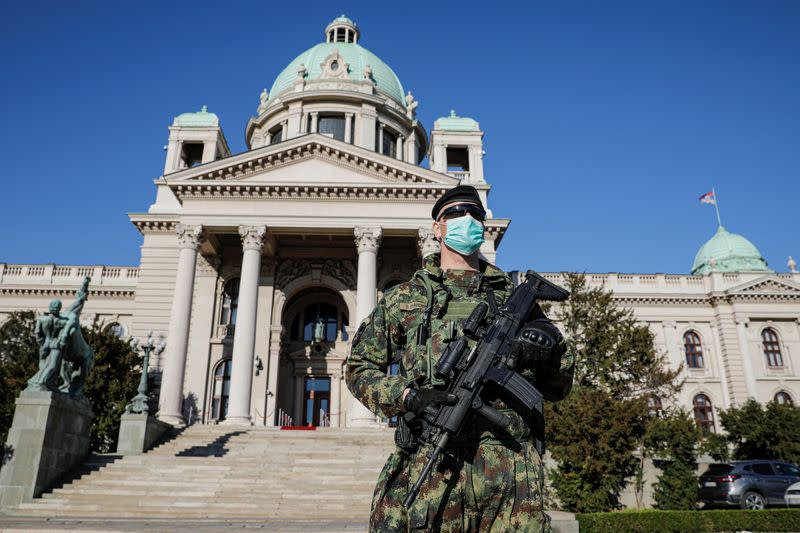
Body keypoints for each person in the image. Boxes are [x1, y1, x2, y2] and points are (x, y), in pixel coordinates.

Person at [346, 185, 575, 532]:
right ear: (437, 228)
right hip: (431, 460)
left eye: (476, 214)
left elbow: (559, 387)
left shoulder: (515, 299)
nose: (467, 220)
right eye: (455, 213)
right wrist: (408, 396)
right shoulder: (406, 299)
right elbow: (359, 368)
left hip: (508, 470)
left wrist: (550, 348)